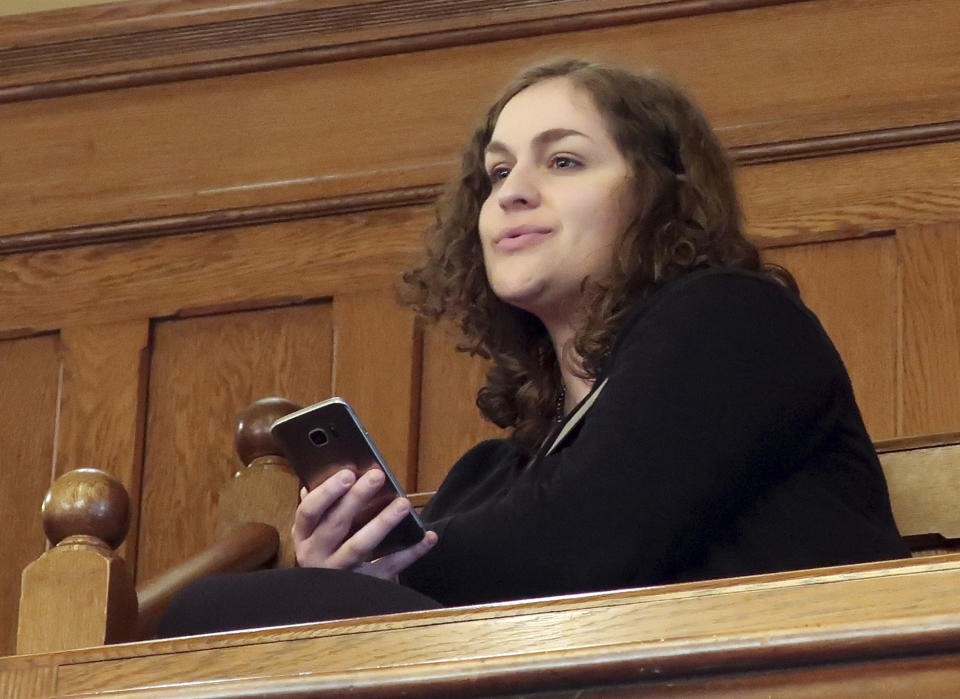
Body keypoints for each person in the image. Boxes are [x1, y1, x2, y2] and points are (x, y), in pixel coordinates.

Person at [159, 59, 908, 636]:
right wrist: (346, 572)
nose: (513, 191)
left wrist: (386, 573)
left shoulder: (737, 323)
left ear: (660, 196)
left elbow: (582, 546)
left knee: (216, 603)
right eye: (498, 171)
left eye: (564, 161)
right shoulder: (488, 479)